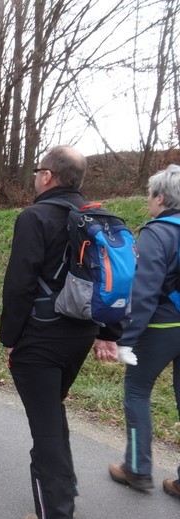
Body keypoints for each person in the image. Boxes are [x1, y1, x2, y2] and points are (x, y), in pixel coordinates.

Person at [0, 145, 120, 519]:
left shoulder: (35, 217)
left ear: (48, 176)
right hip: (80, 335)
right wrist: (108, 331)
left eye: (37, 170)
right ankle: (63, 491)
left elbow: (19, 284)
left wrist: (10, 338)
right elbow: (110, 278)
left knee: (46, 427)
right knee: (53, 411)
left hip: (41, 337)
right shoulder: (97, 217)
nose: (35, 177)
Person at [108, 164, 180, 500]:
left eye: (149, 196)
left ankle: (137, 468)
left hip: (162, 325)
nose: (147, 202)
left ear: (161, 198)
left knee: (137, 392)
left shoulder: (157, 232)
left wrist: (126, 339)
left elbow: (144, 290)